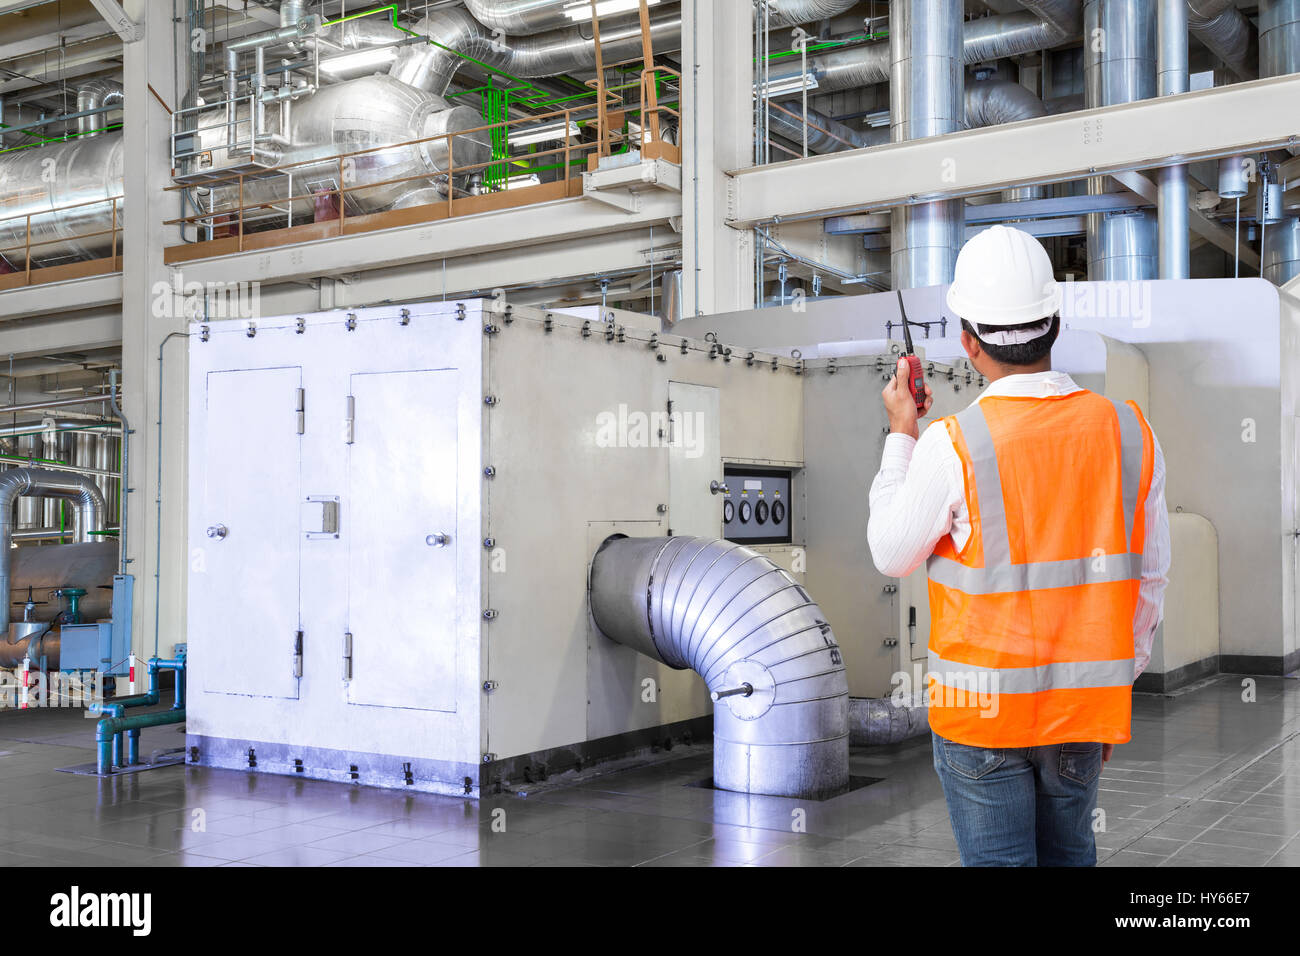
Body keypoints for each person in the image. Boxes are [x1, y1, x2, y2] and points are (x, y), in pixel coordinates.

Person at [866, 225, 1170, 867]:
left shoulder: (952, 443)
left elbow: (892, 554)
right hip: (1081, 708)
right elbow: (1150, 580)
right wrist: (1111, 687)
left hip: (980, 719)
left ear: (968, 342)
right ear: (1054, 324)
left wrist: (901, 433)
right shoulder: (1130, 432)